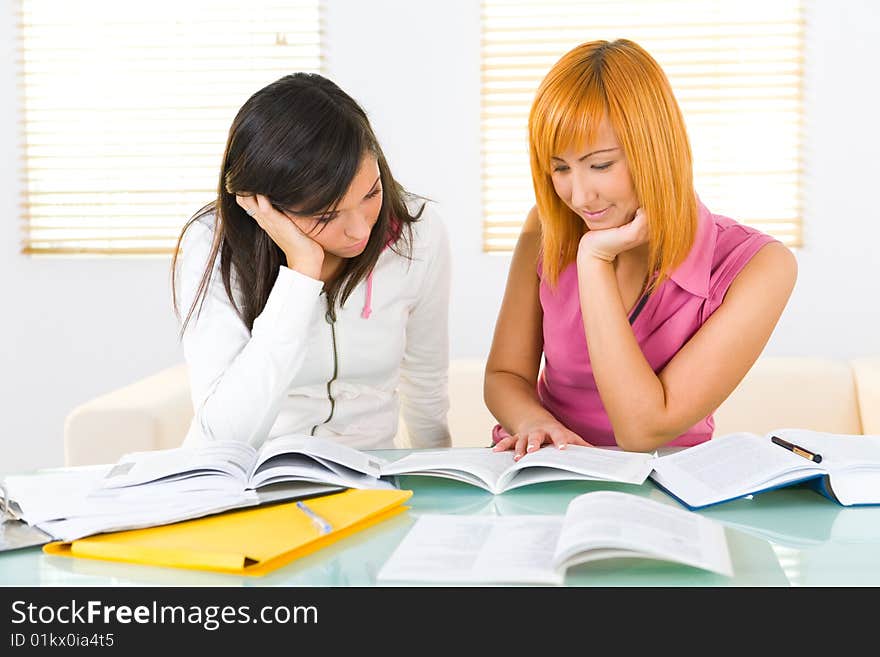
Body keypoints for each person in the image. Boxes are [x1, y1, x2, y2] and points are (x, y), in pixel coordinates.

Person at [485, 39, 797, 459]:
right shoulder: (547, 225)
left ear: (655, 150)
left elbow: (643, 430)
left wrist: (594, 260)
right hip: (546, 470)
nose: (578, 196)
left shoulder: (759, 266)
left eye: (600, 165)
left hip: (666, 491)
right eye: (559, 168)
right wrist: (532, 421)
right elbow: (505, 375)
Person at [171, 73, 451, 451]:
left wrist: (438, 476)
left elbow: (425, 381)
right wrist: (300, 275)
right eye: (325, 216)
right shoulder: (214, 246)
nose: (358, 231)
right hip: (253, 481)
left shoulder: (418, 233)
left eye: (371, 193)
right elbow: (223, 437)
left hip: (370, 482)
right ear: (262, 206)